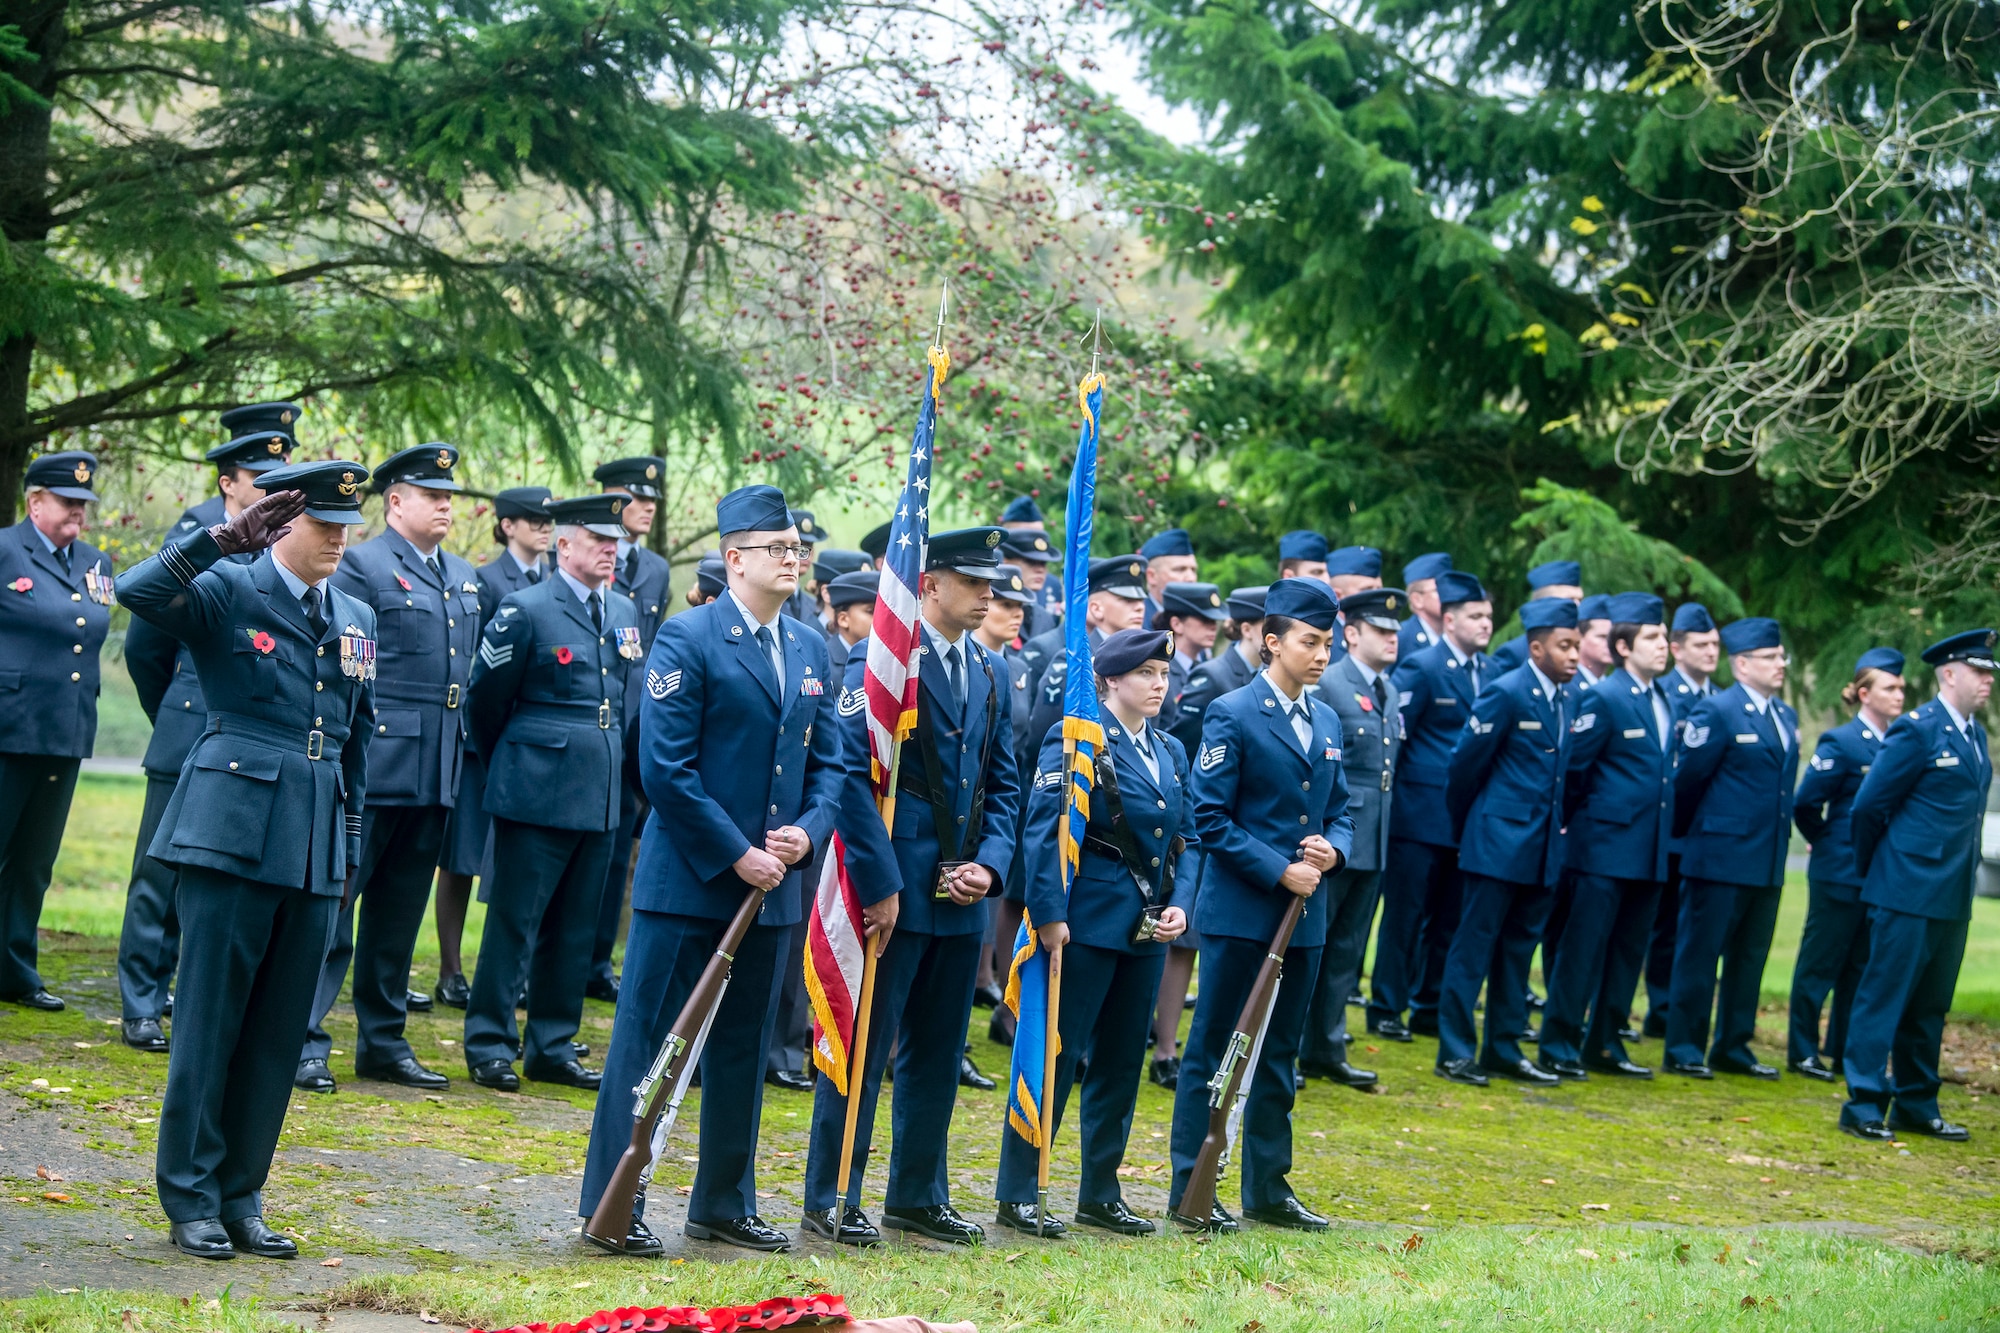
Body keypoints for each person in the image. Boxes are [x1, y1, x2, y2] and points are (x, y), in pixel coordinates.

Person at [117, 463, 374, 1261]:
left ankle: (241, 1193)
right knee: (209, 1020)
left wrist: (350, 842)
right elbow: (138, 594)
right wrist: (213, 542)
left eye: (344, 527)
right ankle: (190, 1194)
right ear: (280, 523)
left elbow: (358, 738)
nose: (336, 538)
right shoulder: (231, 585)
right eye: (322, 524)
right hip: (231, 830)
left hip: (313, 840)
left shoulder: (358, 613)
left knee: (276, 1030)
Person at [579, 485, 843, 1255]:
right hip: (691, 880)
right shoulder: (688, 637)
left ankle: (724, 1199)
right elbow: (664, 768)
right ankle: (611, 1201)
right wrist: (738, 850)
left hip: (776, 887)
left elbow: (831, 764)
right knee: (647, 1041)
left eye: (797, 549)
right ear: (734, 559)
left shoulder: (810, 646)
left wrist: (805, 832)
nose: (792, 560)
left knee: (742, 1049)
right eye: (776, 549)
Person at [801, 527, 1020, 1248]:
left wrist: (989, 864)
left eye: (992, 581)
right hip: (892, 886)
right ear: (927, 584)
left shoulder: (988, 671)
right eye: (973, 579)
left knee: (937, 1048)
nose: (990, 592)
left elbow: (1003, 784)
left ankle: (918, 1192)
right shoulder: (881, 659)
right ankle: (835, 1190)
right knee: (862, 1045)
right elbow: (851, 779)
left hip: (960, 893)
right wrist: (880, 881)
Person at [994, 629, 1196, 1237]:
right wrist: (1050, 915)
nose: (1159, 686)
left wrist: (1180, 905)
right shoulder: (1077, 740)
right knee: (1056, 1055)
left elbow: (1188, 839)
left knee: (1118, 1063)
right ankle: (1020, 1189)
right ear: (1110, 681)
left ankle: (1100, 1191)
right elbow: (1044, 832)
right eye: (1146, 675)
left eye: (1164, 675)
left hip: (1146, 930)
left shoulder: (1170, 750)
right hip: (1082, 924)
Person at [1166, 578, 1352, 1233]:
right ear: (1271, 641)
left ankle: (1268, 1186)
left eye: (1328, 643)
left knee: (1280, 1053)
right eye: (1309, 641)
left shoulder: (1327, 717)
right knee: (1215, 1046)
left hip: (1305, 921)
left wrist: (1333, 850)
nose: (1321, 654)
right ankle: (1191, 1182)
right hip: (1244, 911)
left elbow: (1342, 810)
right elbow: (1209, 817)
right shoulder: (1233, 711)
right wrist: (1282, 869)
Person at [288, 445, 475, 1092]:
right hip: (376, 763)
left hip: (434, 770)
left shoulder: (459, 574)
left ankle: (382, 1040)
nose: (446, 503)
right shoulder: (362, 566)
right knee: (334, 912)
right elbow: (343, 667)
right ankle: (302, 1037)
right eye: (432, 494)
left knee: (398, 916)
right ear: (396, 502)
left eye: (449, 494)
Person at [119, 412, 297, 1049]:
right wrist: (169, 708)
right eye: (262, 477)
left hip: (252, 734)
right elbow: (145, 643)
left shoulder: (290, 536)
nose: (276, 487)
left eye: (285, 475)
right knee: (157, 875)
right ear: (230, 483)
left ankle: (188, 998)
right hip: (190, 722)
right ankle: (140, 999)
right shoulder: (198, 532)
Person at [461, 494, 642, 1093]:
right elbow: (484, 704)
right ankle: (490, 1043)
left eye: (614, 543)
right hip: (534, 792)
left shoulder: (624, 610)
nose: (610, 551)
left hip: (600, 794)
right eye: (598, 541)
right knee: (515, 923)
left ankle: (552, 1044)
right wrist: (511, 768)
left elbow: (626, 702)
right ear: (565, 546)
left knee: (576, 927)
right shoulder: (525, 608)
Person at [1839, 630, 1993, 1143]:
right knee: (1883, 997)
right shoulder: (1916, 731)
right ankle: (1863, 1102)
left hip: (1951, 893)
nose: (1989, 679)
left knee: (1930, 1005)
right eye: (1980, 671)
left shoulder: (1975, 735)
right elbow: (1867, 807)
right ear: (1949, 674)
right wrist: (1878, 871)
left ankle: (1916, 1102)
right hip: (1904, 888)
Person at [1434, 598, 1579, 1088]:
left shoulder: (1569, 697)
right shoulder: (1507, 692)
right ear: (1536, 648)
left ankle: (1503, 1048)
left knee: (1518, 953)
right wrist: (1472, 829)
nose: (1575, 655)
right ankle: (1454, 1051)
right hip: (1496, 845)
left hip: (1541, 852)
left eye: (1578, 645)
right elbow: (1463, 768)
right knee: (1472, 949)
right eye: (1565, 646)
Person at [1538, 593, 1675, 1081]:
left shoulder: (1663, 699)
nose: (1664, 646)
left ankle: (1606, 1041)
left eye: (1664, 637)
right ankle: (1558, 1041)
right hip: (1601, 848)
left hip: (1649, 849)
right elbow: (1575, 771)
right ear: (1622, 646)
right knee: (1583, 949)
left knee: (1627, 952)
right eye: (1653, 638)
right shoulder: (1606, 696)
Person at [0, 451, 115, 1012]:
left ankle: (15, 969)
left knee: (33, 861)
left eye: (84, 505)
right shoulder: (4, 550)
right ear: (34, 501)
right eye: (69, 502)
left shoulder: (97, 563)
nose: (79, 514)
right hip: (7, 726)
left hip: (64, 730)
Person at [432, 485, 552, 1009]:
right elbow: (481, 670)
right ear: (506, 525)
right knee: (460, 858)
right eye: (531, 519)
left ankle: (514, 973)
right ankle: (451, 969)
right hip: (483, 742)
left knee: (516, 864)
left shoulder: (554, 581)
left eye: (548, 520)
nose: (543, 527)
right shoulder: (485, 581)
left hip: (529, 748)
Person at [1664, 616, 1798, 1080]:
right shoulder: (1718, 711)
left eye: (1781, 656)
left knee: (1748, 959)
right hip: (1719, 856)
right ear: (1742, 664)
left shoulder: (1784, 716)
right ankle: (1683, 1045)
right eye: (1769, 657)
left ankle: (1733, 1044)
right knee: (1700, 956)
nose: (1780, 664)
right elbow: (1687, 782)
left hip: (1766, 859)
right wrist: (1692, 838)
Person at [1368, 570, 1492, 1041]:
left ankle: (1428, 1003)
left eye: (1488, 617)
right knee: (1405, 915)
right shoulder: (1423, 666)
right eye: (1475, 616)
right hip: (1420, 815)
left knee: (1449, 917)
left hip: (1466, 819)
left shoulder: (1490, 670)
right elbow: (1398, 737)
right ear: (1450, 618)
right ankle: (1386, 1005)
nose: (1485, 625)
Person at [1154, 585, 1266, 1087]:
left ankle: (1171, 1044)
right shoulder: (1214, 678)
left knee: (1192, 941)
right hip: (1201, 823)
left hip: (1228, 826)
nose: (1211, 626)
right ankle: (1163, 1047)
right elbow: (1182, 744)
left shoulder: (1249, 680)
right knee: (1183, 938)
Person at [1300, 587, 1405, 1088]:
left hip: (1374, 837)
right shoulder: (1331, 686)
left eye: (1396, 633)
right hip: (1334, 840)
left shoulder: (1389, 690)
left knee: (1347, 950)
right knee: (1313, 947)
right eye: (1382, 631)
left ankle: (1327, 1045)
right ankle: (1295, 1044)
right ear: (1353, 633)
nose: (1392, 640)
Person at [1788, 647, 1904, 1081]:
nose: (1899, 695)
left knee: (1859, 967)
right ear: (1863, 693)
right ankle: (1802, 1051)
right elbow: (1805, 803)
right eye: (1890, 687)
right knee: (1820, 964)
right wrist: (1825, 842)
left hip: (1876, 874)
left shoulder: (1898, 741)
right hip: (1838, 872)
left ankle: (1841, 1048)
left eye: (1901, 687)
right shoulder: (1841, 741)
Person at [592, 456, 672, 1007]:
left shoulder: (657, 569)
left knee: (616, 853)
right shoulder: (587, 552)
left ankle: (597, 960)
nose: (645, 506)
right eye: (633, 496)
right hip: (588, 725)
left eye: (651, 498)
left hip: (632, 727)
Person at [1637, 602, 1722, 1038]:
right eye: (1701, 645)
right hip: (1669, 828)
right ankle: (1662, 1008)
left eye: (1715, 645)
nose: (1711, 652)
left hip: (1704, 834)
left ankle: (1680, 1007)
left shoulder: (1718, 698)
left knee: (1692, 925)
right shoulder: (1666, 692)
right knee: (1665, 924)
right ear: (1677, 648)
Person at [978, 565, 1036, 1029]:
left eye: (1020, 607)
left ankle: (990, 981)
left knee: (997, 892)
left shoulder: (1015, 669)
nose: (1014, 614)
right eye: (1004, 604)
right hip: (958, 806)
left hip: (1003, 801)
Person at [1023, 555, 1148, 734]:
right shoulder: (1071, 658)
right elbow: (1044, 733)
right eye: (1127, 600)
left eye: (1141, 600)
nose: (1140, 607)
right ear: (1095, 608)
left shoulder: (1144, 656)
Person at [1488, 560, 1583, 673]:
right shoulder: (1515, 653)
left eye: (1580, 600)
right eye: (1569, 600)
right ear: (1542, 601)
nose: (1577, 605)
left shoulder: (1585, 647)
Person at [1154, 582, 1224, 706]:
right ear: (1177, 624)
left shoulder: (1209, 667)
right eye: (1205, 619)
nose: (1213, 626)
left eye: (1214, 620)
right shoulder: (1160, 672)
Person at [1001, 529, 1059, 640]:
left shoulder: (1044, 617)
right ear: (1006, 562)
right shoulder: (988, 610)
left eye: (1043, 563)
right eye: (1030, 562)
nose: (1040, 570)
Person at [1138, 528, 1198, 627]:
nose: (1190, 578)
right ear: (1152, 576)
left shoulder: (1198, 621)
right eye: (1180, 569)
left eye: (1193, 570)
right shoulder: (1137, 621)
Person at [1397, 553, 1452, 659]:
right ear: (1417, 600)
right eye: (1438, 590)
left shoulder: (1457, 635)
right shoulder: (1401, 639)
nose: (1448, 594)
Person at [1573, 594, 1614, 689]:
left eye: (1614, 637)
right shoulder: (1566, 686)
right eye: (1602, 637)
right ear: (1578, 637)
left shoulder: (1612, 687)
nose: (1610, 643)